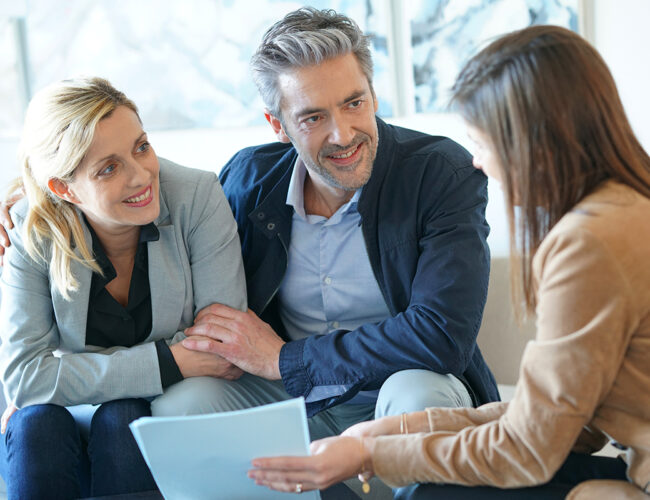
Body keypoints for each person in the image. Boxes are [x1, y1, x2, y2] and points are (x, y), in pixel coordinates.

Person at [247, 25, 650, 499]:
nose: (479, 163)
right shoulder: (624, 211)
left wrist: (370, 455)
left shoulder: (588, 243)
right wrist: (391, 433)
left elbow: (530, 446)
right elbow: (559, 418)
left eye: (482, 143)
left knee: (436, 491)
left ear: (533, 141)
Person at [149, 5, 498, 447]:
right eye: (313, 118)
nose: (343, 134)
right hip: (292, 396)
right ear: (278, 125)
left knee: (417, 394)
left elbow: (442, 335)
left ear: (372, 95)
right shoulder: (248, 179)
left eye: (354, 103)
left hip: (400, 388)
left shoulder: (441, 173)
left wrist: (287, 359)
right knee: (178, 407)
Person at [0, 77, 247, 499]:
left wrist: (62, 375)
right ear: (63, 188)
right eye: (109, 168)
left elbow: (222, 346)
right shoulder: (30, 227)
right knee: (34, 424)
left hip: (158, 412)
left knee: (124, 417)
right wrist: (171, 360)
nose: (141, 175)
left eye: (142, 146)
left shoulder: (197, 196)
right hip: (70, 419)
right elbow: (24, 379)